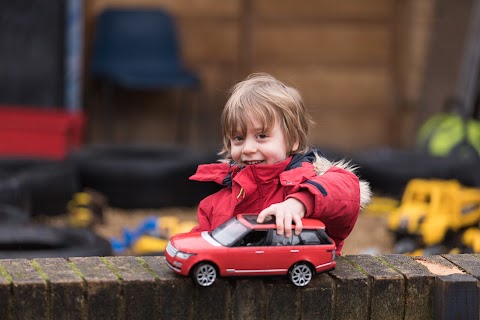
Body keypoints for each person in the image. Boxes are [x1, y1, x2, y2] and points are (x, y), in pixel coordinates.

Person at [189, 73, 371, 254]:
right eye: (238, 138)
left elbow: (347, 191)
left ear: (293, 140)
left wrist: (300, 203)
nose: (247, 148)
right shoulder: (216, 203)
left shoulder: (306, 180)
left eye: (261, 136)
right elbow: (202, 246)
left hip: (305, 277)